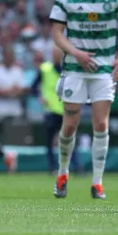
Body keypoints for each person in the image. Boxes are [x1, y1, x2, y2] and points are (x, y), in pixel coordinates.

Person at [49, 0, 118, 200]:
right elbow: (56, 34)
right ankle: (62, 173)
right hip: (75, 69)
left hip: (103, 70)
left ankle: (97, 182)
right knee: (70, 124)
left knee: (100, 124)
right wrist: (76, 53)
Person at [32, 45, 83, 175]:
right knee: (49, 141)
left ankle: (76, 167)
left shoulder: (69, 69)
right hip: (51, 110)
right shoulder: (45, 69)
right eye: (54, 52)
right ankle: (52, 167)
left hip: (66, 109)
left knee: (70, 139)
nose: (56, 55)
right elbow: (33, 88)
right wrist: (40, 97)